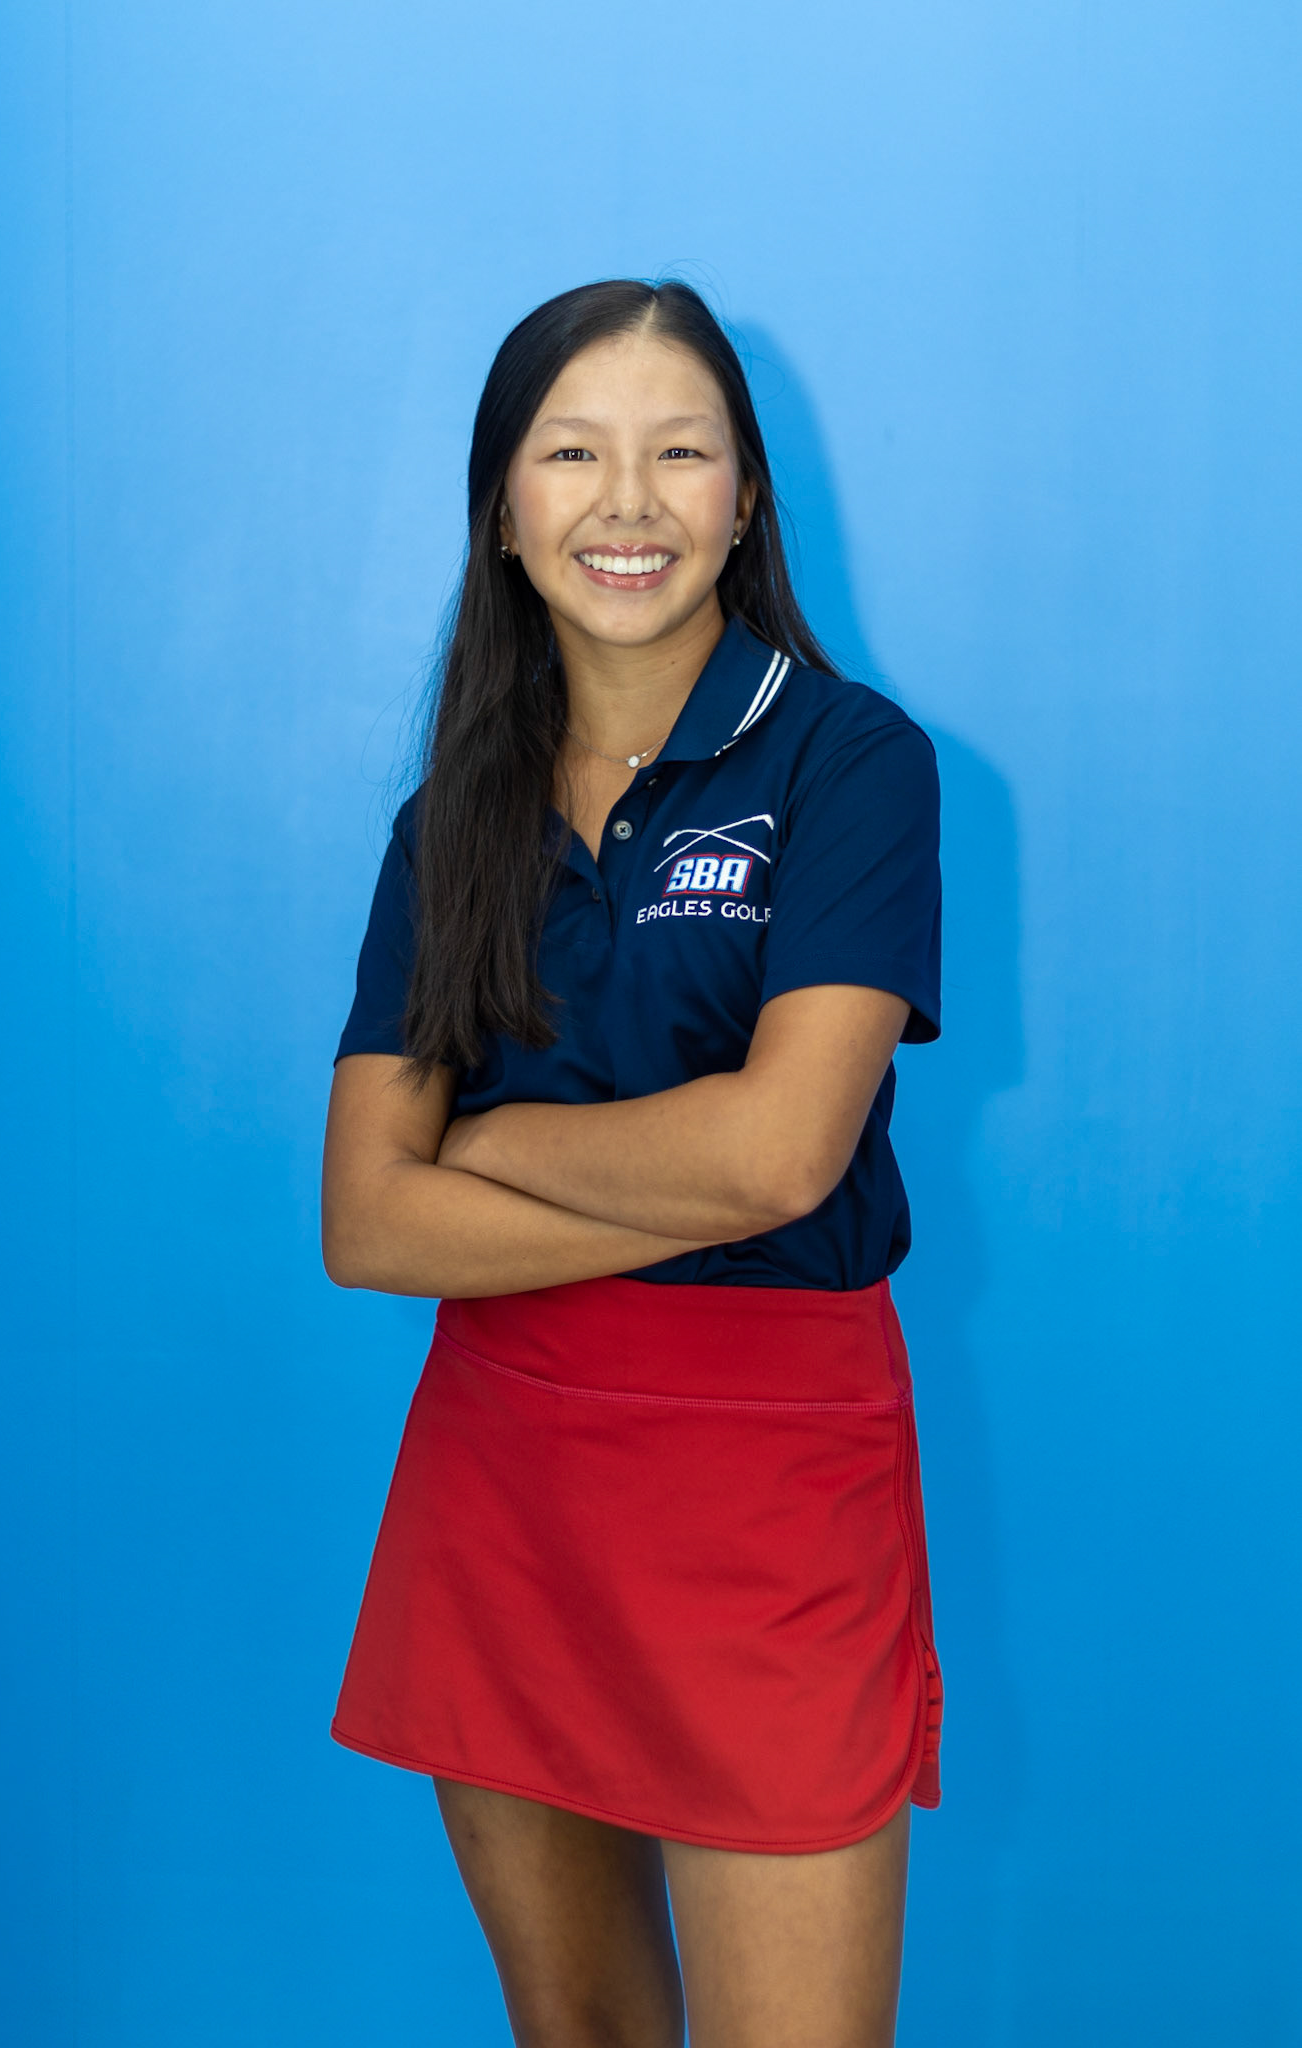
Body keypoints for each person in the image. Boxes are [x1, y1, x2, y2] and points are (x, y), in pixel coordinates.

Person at [321, 278, 943, 2048]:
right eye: (571, 453)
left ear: (743, 500)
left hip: (771, 1479)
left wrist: (498, 1143)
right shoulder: (451, 818)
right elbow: (366, 1220)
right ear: (503, 511)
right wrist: (634, 1174)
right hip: (506, 1467)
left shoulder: (850, 761)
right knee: (577, 2033)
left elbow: (777, 1159)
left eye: (681, 454)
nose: (627, 501)